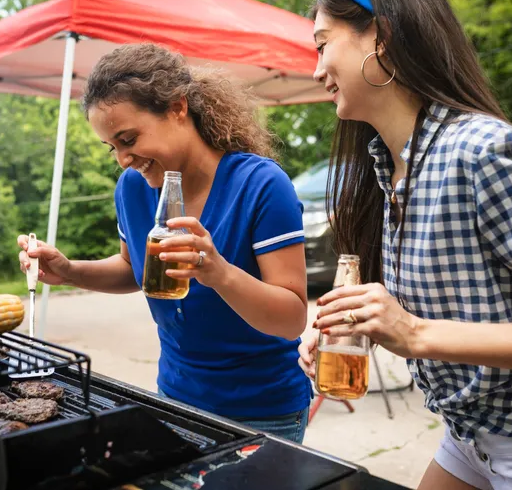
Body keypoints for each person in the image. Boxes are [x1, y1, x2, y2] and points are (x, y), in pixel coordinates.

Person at [297, 0, 512, 488]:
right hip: (465, 437)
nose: (316, 68)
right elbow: (445, 317)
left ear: (381, 37)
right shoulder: (385, 168)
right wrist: (366, 329)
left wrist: (414, 332)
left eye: (323, 44)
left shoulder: (483, 152)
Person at [18, 43, 312, 443]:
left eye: (129, 138)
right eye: (113, 148)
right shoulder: (133, 188)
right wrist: (70, 271)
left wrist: (219, 272)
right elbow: (133, 269)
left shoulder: (260, 185)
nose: (123, 159)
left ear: (177, 107)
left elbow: (292, 317)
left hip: (262, 412)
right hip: (175, 398)